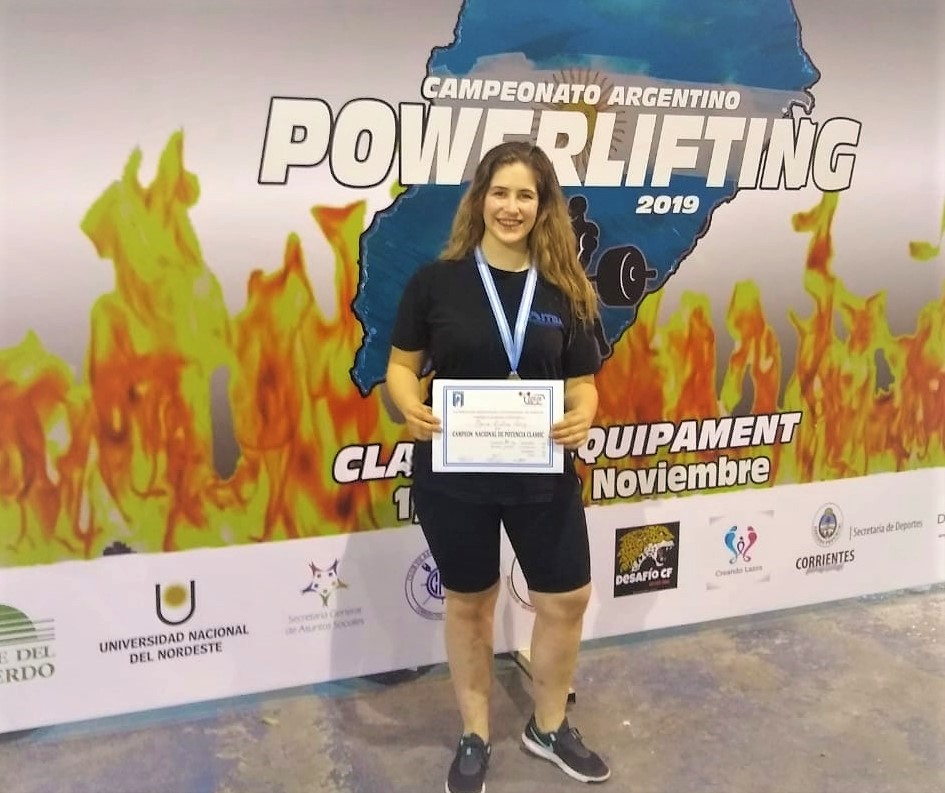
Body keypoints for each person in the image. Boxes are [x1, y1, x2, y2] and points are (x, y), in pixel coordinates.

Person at [386, 141, 611, 793]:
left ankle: (548, 726)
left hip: (540, 469)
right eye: (500, 192)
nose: (511, 207)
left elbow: (583, 383)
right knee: (470, 601)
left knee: (565, 598)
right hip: (454, 473)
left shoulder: (565, 289)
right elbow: (400, 366)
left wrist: (582, 413)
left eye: (525, 195)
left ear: (543, 207)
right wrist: (408, 405)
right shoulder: (436, 282)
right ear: (480, 199)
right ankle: (475, 733)